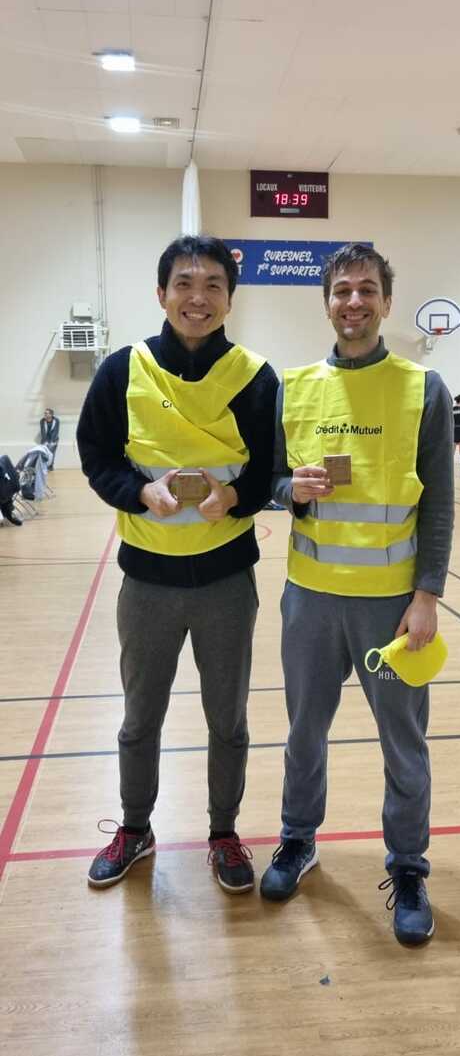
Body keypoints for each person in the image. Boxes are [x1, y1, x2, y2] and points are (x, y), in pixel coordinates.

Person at [260, 244, 454, 946]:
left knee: (403, 744)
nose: (354, 301)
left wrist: (427, 594)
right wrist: (291, 489)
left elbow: (438, 503)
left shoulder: (423, 388)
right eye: (342, 290)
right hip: (310, 599)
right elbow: (269, 482)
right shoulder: (294, 387)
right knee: (303, 734)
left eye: (367, 289)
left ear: (386, 302)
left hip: (392, 607)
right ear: (327, 302)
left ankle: (408, 868)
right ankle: (297, 839)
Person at [77, 235, 278, 893]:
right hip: (147, 582)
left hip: (227, 581)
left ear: (230, 298)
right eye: (185, 284)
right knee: (139, 718)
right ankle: (135, 828)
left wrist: (235, 498)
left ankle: (223, 833)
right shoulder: (122, 370)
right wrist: (139, 493)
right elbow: (96, 455)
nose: (199, 297)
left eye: (213, 284)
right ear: (161, 294)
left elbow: (269, 469)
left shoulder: (255, 376)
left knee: (228, 720)